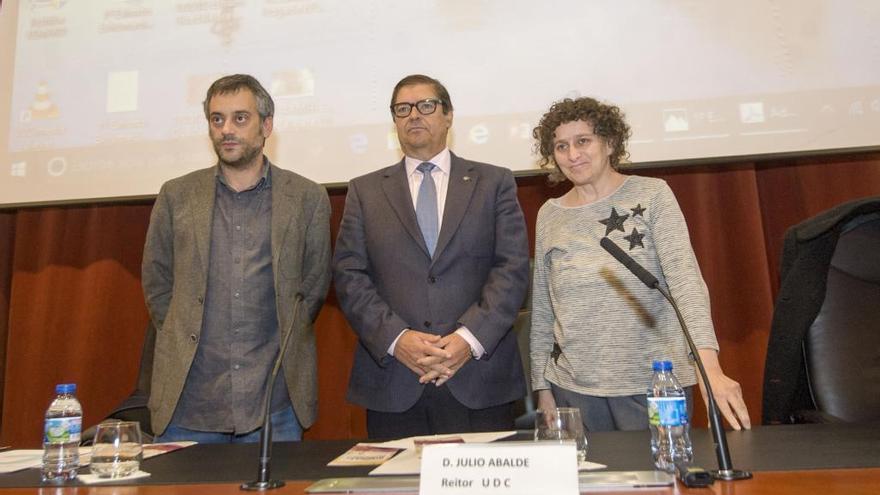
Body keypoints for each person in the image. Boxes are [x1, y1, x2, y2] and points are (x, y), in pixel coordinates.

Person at [529, 97, 751, 432]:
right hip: (574, 389)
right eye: (561, 146)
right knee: (591, 484)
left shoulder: (652, 195)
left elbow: (685, 282)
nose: (572, 155)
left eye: (583, 141)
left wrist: (710, 371)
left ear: (610, 143)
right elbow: (544, 307)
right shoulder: (550, 214)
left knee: (663, 481)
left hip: (656, 383)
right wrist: (542, 389)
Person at [333, 74, 530, 438]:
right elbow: (349, 275)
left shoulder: (494, 182)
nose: (414, 116)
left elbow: (512, 268)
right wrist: (397, 339)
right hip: (395, 379)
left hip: (478, 379)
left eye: (426, 106)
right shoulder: (365, 191)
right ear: (394, 121)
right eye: (402, 109)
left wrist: (467, 341)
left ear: (449, 115)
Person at [141, 74, 331, 443]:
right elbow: (157, 285)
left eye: (240, 118)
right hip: (190, 403)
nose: (226, 129)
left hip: (274, 403)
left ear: (267, 126)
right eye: (217, 119)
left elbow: (312, 291)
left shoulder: (307, 197)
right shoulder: (176, 196)